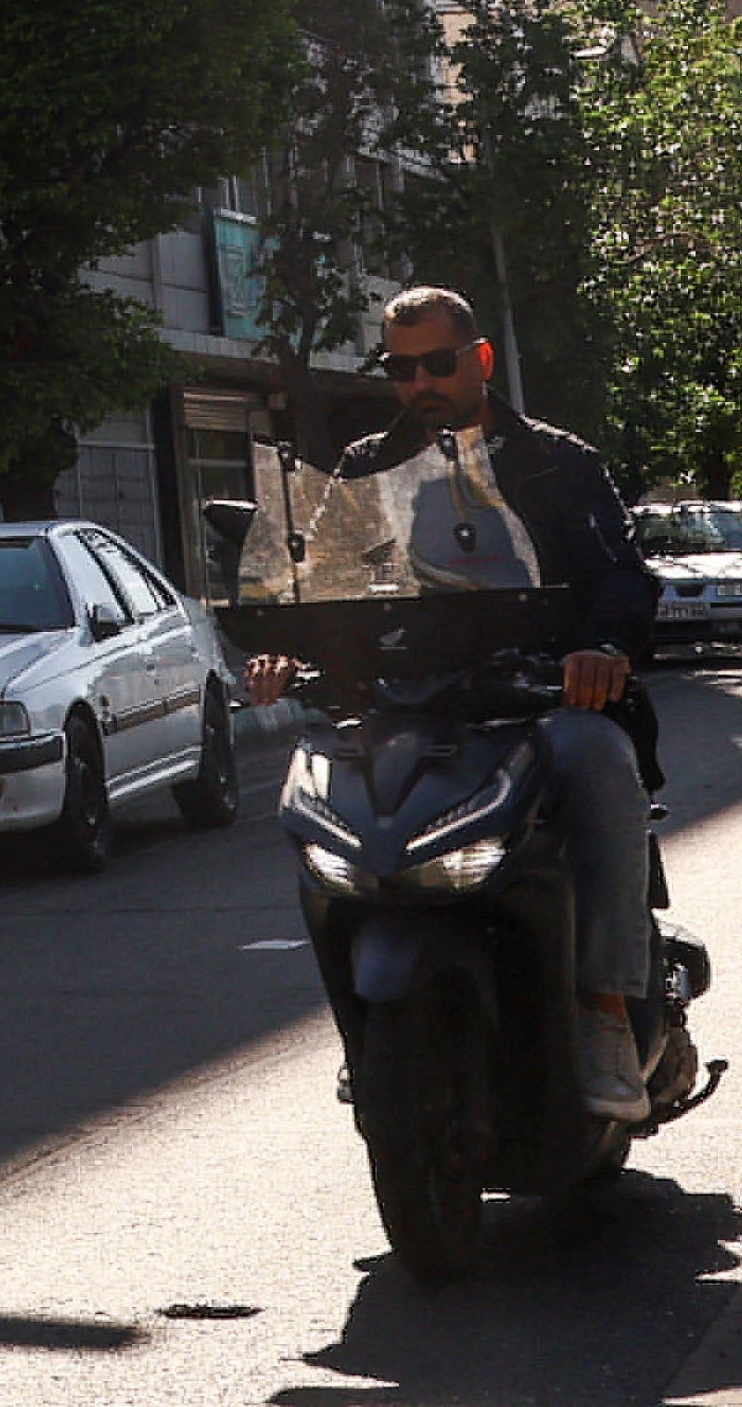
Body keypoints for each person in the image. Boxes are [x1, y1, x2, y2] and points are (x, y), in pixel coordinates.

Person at [241, 285, 674, 1121]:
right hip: (411, 708)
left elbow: (623, 574)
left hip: (541, 698)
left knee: (601, 761)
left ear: (478, 359)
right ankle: (363, 1033)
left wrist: (604, 649)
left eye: (438, 363)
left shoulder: (558, 459)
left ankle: (607, 1014)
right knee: (314, 793)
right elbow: (324, 580)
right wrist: (289, 647)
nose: (420, 383)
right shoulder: (367, 466)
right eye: (402, 368)